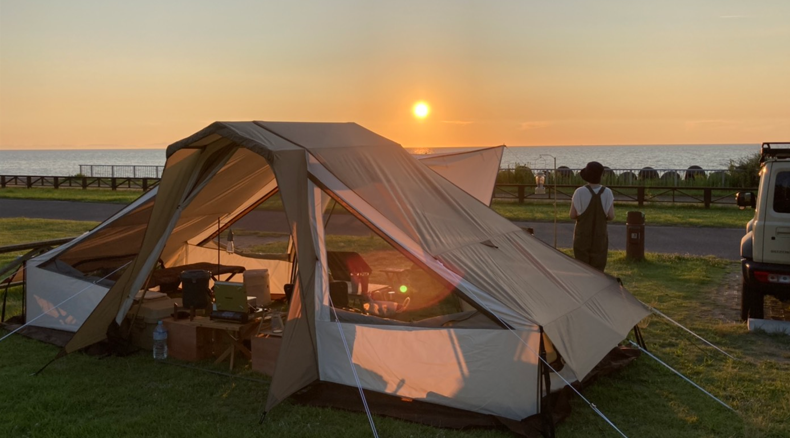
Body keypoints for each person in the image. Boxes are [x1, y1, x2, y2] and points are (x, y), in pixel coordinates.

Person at [570, 161, 615, 271]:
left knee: (582, 267)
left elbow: (572, 215)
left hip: (582, 235)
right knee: (598, 269)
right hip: (600, 236)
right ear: (601, 175)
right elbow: (611, 216)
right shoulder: (607, 192)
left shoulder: (579, 192)